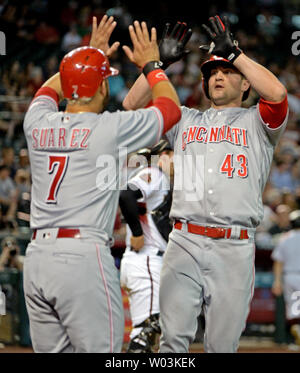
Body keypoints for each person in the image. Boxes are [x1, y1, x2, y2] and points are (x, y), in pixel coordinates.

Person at [123, 16, 288, 352]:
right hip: (184, 240)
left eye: (226, 71)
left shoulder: (258, 121)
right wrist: (158, 65)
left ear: (246, 84)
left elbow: (278, 92)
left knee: (221, 346)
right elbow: (131, 106)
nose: (218, 76)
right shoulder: (184, 118)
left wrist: (236, 54)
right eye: (213, 72)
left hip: (234, 246)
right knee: (172, 343)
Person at [22, 15, 181, 353]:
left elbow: (48, 90)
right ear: (104, 87)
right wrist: (153, 65)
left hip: (36, 257)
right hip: (81, 256)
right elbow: (170, 109)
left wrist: (86, 55)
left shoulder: (36, 121)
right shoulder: (108, 128)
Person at [119, 140, 174, 352]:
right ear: (164, 154)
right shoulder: (154, 173)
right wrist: (138, 232)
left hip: (144, 262)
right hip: (147, 260)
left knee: (147, 333)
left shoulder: (160, 178)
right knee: (146, 333)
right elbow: (125, 194)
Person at [271, 210, 300, 346]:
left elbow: (278, 262)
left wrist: (277, 281)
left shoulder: (285, 237)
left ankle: (295, 333)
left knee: (294, 309)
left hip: (290, 277)